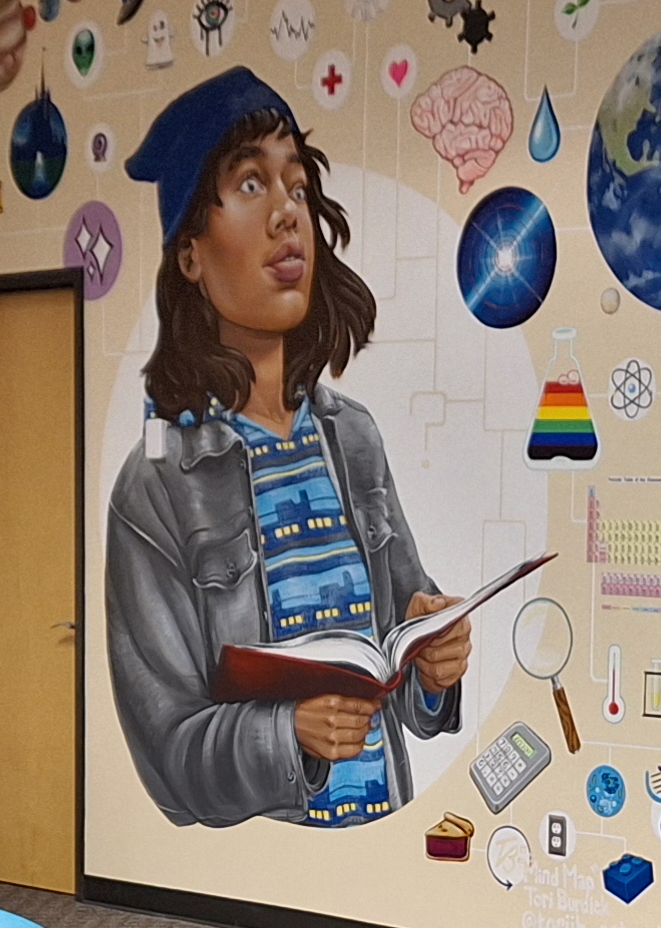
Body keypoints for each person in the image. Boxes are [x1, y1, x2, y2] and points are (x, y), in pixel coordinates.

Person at [105, 68, 468, 829]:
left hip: (384, 839)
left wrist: (433, 663)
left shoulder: (355, 437)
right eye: (248, 185)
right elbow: (166, 753)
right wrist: (286, 734)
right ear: (190, 254)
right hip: (267, 883)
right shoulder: (158, 485)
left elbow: (398, 672)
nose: (286, 216)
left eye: (297, 188)